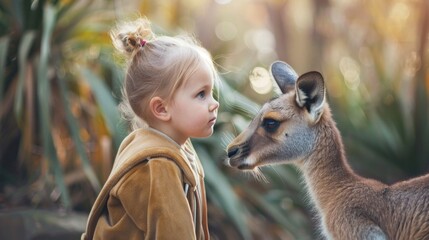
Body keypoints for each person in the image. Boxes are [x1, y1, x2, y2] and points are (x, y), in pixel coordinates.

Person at [81, 17, 219, 240]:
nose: (214, 103)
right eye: (201, 94)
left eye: (211, 92)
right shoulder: (159, 166)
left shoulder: (171, 147)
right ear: (161, 109)